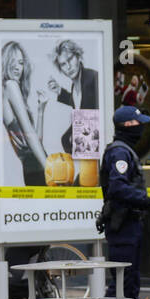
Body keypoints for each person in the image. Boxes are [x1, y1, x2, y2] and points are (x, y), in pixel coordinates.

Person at [99, 105, 150, 299]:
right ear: (128, 127)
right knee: (123, 281)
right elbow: (117, 188)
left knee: (129, 280)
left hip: (129, 225)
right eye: (139, 124)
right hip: (123, 226)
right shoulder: (119, 154)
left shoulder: (124, 152)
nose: (143, 128)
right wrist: (146, 201)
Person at [42, 39, 102, 188]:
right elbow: (78, 102)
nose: (68, 66)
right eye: (63, 64)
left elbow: (89, 110)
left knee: (82, 187)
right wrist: (59, 92)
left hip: (91, 147)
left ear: (78, 56)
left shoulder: (92, 78)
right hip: (85, 148)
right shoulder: (77, 83)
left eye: (70, 59)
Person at [1, 40, 47, 187]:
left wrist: (41, 110)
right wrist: (49, 168)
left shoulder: (8, 89)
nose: (17, 67)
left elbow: (35, 139)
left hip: (32, 168)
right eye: (12, 61)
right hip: (37, 167)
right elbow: (28, 133)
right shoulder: (10, 85)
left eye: (20, 62)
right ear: (5, 62)